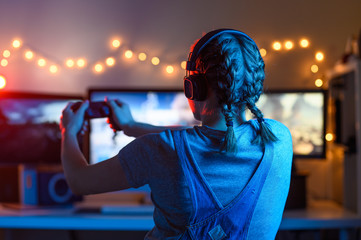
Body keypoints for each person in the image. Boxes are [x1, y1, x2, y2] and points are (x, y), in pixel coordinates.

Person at [60, 29, 293, 239]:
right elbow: (192, 140)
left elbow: (79, 181)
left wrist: (68, 132)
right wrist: (131, 126)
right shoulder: (278, 138)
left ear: (193, 86)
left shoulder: (159, 150)